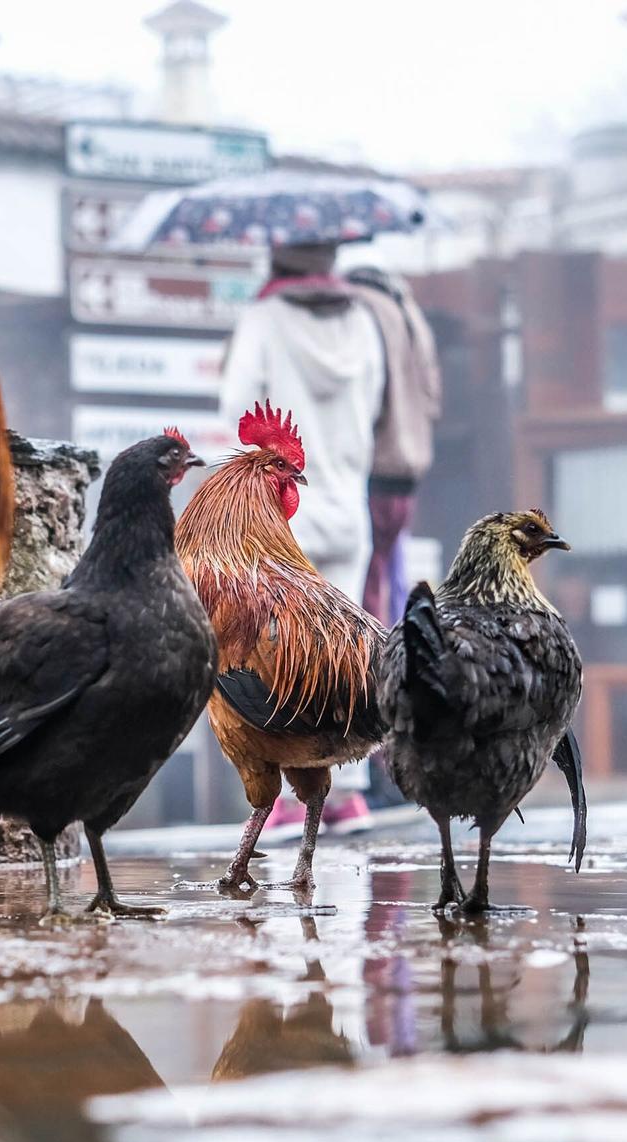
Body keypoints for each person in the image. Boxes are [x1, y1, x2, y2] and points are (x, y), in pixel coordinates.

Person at [219, 240, 387, 837]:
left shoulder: (265, 319)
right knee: (350, 645)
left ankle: (294, 787)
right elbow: (373, 406)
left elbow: (235, 402)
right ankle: (350, 795)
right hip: (347, 499)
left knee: (282, 649)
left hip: (283, 508)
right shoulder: (364, 320)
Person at [345, 265, 442, 628]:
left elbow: (365, 398)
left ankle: (370, 676)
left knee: (365, 589)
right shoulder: (409, 311)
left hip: (375, 469)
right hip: (407, 472)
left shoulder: (362, 310)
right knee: (390, 579)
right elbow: (433, 399)